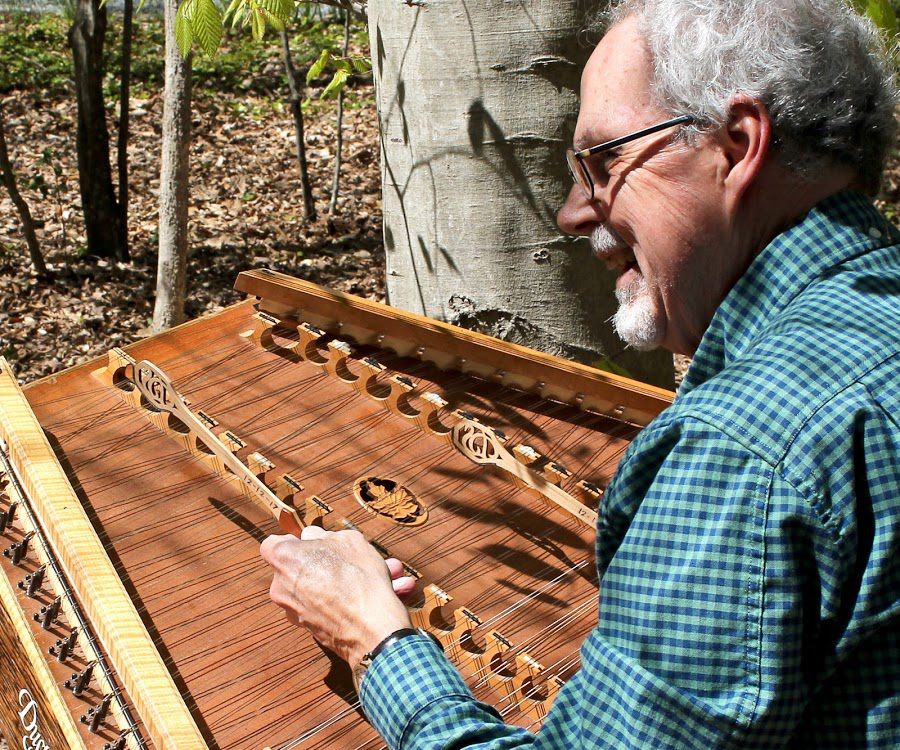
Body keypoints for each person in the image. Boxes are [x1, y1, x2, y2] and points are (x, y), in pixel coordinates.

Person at [260, 0, 900, 747]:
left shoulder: (748, 450)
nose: (573, 213)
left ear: (738, 144)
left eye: (602, 163)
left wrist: (374, 642)